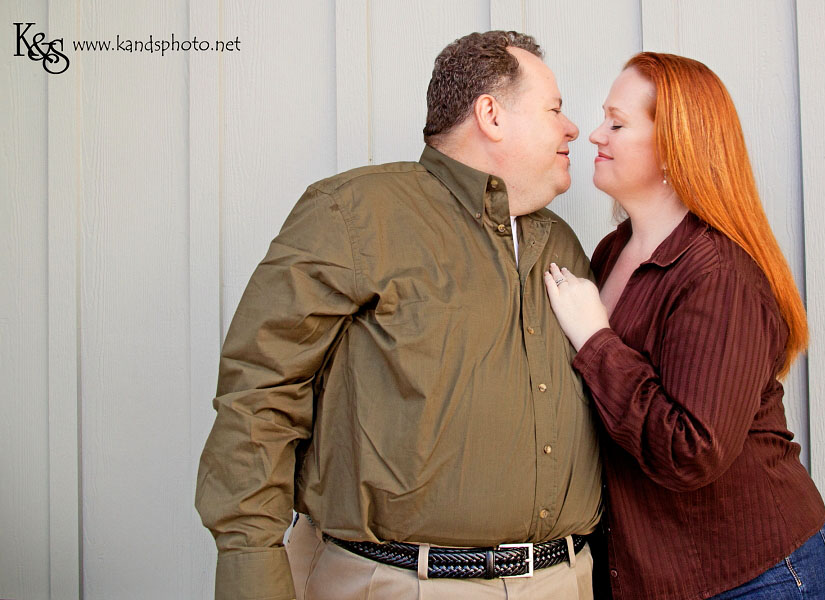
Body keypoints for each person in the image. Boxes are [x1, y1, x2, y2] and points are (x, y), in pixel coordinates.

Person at [196, 31, 605, 600]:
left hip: (563, 581)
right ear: (490, 114)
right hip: (396, 583)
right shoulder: (355, 214)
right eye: (555, 109)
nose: (571, 129)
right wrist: (251, 573)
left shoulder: (561, 243)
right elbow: (260, 394)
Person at [543, 52, 825, 599]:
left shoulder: (719, 274)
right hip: (655, 574)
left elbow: (691, 449)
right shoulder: (611, 253)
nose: (595, 134)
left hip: (750, 576)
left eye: (617, 122)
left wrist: (595, 340)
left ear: (676, 146)